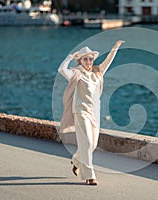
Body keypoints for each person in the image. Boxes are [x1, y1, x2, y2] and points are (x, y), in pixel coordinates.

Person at [58, 40, 125, 185]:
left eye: (90, 58)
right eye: (85, 59)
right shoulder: (76, 73)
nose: (88, 61)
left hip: (94, 112)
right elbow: (62, 70)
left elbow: (107, 62)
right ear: (80, 61)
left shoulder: (97, 74)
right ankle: (90, 175)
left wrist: (114, 49)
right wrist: (70, 57)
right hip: (81, 112)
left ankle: (76, 160)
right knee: (87, 142)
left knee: (92, 144)